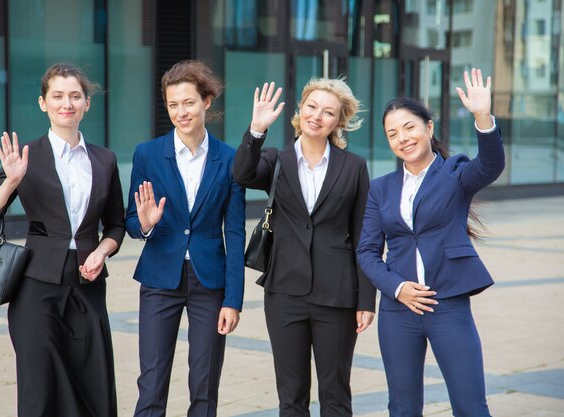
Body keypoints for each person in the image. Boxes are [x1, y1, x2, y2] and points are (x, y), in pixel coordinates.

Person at [0, 62, 125, 416]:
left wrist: (102, 252)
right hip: (35, 286)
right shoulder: (25, 156)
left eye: (75, 96)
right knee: (40, 389)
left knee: (93, 384)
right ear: (44, 103)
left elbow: (116, 225)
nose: (66, 103)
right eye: (57, 96)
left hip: (87, 285)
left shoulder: (104, 160)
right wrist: (10, 181)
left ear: (87, 103)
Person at [356, 68, 505, 417]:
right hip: (398, 310)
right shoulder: (381, 188)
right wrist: (396, 288)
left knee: (470, 405)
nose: (402, 138)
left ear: (428, 128)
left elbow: (491, 164)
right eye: (392, 133)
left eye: (409, 127)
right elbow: (366, 251)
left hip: (447, 303)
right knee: (403, 408)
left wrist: (483, 117)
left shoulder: (455, 173)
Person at [233, 79, 377, 416]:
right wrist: (256, 130)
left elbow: (363, 236)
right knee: (291, 396)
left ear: (338, 122)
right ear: (300, 111)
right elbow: (241, 174)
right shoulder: (275, 160)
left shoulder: (354, 167)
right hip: (284, 294)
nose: (317, 116)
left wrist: (366, 299)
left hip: (338, 296)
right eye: (312, 107)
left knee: (335, 394)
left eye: (328, 112)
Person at [125, 60, 245, 417]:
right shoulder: (147, 154)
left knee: (205, 385)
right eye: (173, 104)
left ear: (206, 101)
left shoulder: (229, 159)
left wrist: (233, 299)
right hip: (160, 276)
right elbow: (131, 222)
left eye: (188, 102)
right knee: (152, 381)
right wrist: (145, 224)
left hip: (210, 281)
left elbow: (235, 234)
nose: (181, 112)